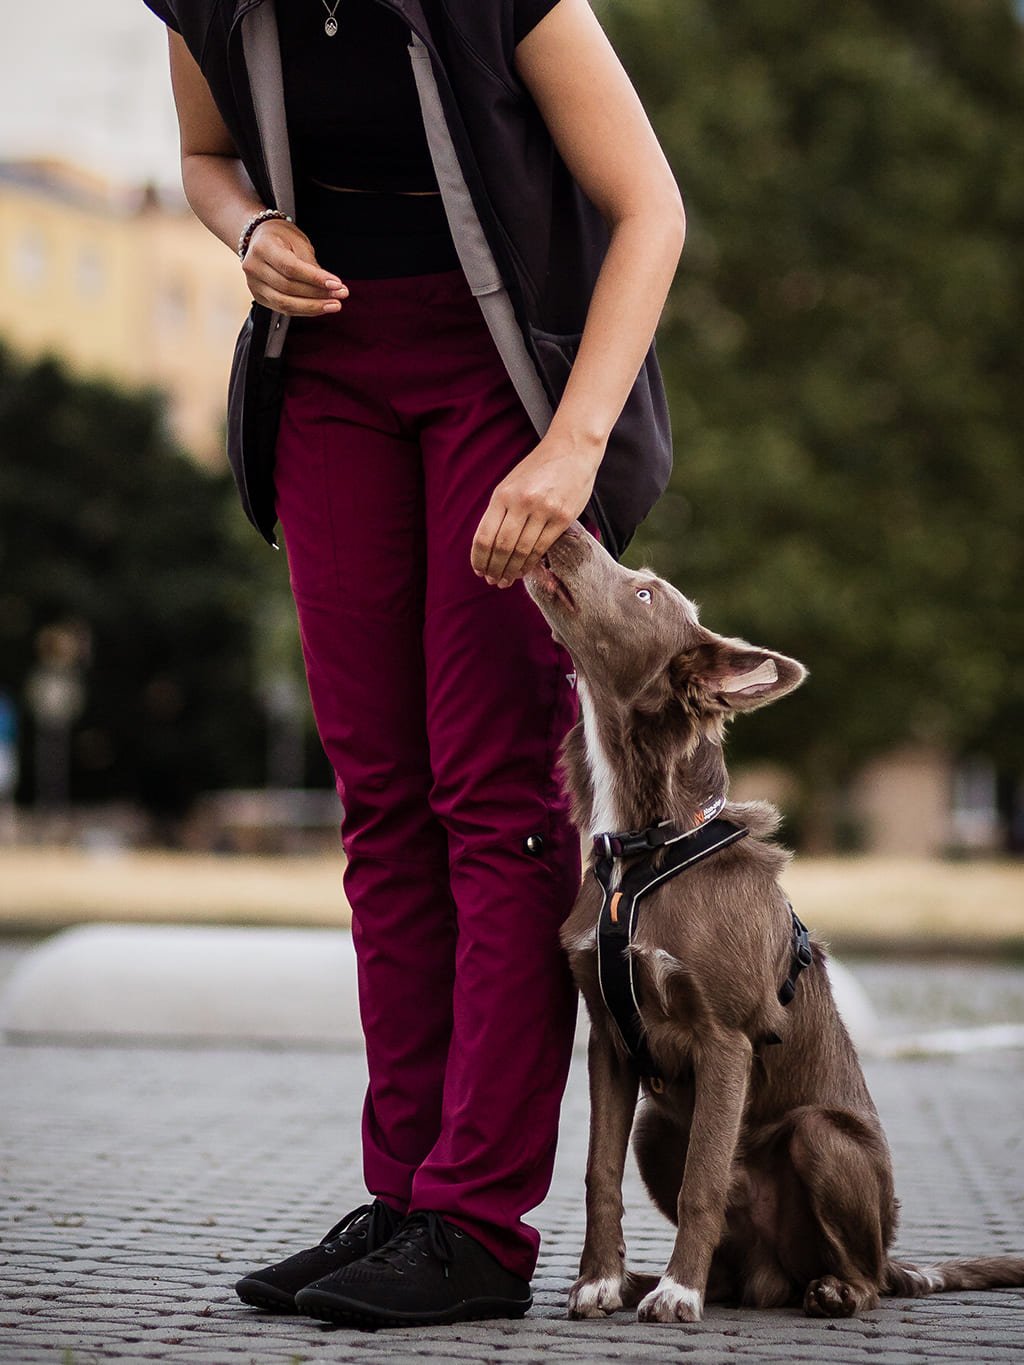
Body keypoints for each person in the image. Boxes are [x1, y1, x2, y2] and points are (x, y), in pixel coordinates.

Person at [142, 0, 684, 1330]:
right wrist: (250, 231)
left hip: (499, 383)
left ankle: (479, 1219)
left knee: (492, 792)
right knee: (380, 793)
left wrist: (572, 447)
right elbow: (208, 160)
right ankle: (407, 1193)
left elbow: (649, 205)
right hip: (329, 378)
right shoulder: (210, 4)